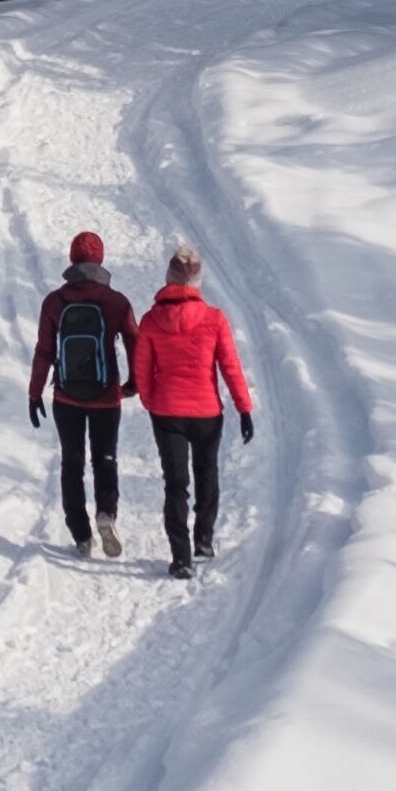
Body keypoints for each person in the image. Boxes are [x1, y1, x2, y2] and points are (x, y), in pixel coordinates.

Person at [134, 244, 256, 578]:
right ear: (198, 281)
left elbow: (142, 371)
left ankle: (182, 557)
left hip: (167, 413)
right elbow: (231, 367)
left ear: (169, 278)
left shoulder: (151, 320)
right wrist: (244, 408)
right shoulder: (215, 319)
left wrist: (152, 402)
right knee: (207, 473)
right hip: (207, 413)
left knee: (175, 484)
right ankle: (204, 538)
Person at [26, 231, 142, 557]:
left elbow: (44, 351)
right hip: (106, 395)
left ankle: (80, 534)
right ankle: (106, 513)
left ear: (72, 259)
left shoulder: (54, 301)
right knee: (105, 459)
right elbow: (136, 343)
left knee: (71, 462)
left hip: (66, 397)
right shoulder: (117, 302)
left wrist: (35, 393)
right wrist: (135, 384)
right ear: (100, 259)